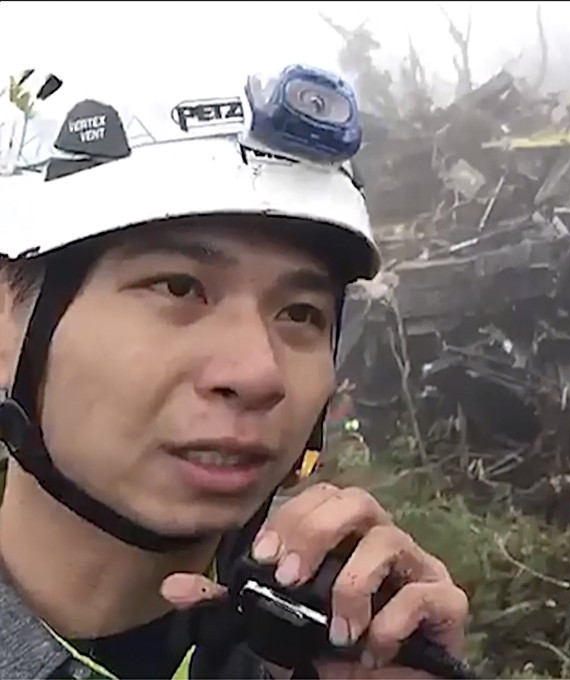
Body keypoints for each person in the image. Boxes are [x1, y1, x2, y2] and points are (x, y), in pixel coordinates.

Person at [0, 43, 468, 680]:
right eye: (177, 287)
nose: (258, 374)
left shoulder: (330, 653)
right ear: (9, 322)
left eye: (301, 313)